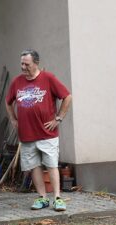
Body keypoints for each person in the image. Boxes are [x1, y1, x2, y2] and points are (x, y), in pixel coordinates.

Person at [5, 49, 72, 211]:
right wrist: (13, 119)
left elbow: (67, 96)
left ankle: (57, 198)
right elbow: (8, 102)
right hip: (27, 134)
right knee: (34, 166)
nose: (23, 67)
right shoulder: (17, 82)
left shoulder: (48, 78)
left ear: (36, 63)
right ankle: (42, 197)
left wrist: (59, 118)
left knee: (51, 165)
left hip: (46, 133)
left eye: (26, 64)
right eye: (21, 63)